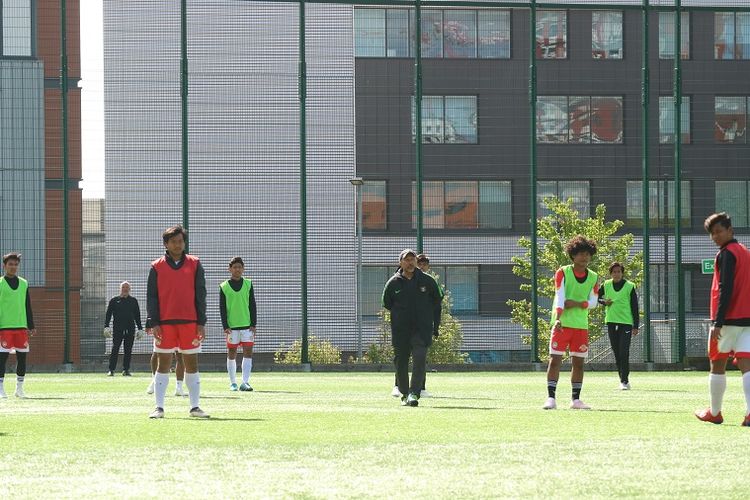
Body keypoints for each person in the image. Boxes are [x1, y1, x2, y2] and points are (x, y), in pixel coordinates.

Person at [146, 225, 209, 419]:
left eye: (180, 241)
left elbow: (201, 294)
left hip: (190, 322)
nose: (178, 244)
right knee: (163, 364)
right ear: (166, 244)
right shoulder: (156, 266)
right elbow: (152, 297)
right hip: (164, 323)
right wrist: (153, 321)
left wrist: (201, 321)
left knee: (192, 363)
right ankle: (159, 407)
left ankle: (195, 407)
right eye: (173, 241)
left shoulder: (195, 263)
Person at [695, 212, 750, 426]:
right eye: (712, 233)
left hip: (727, 320)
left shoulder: (726, 254)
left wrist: (717, 322)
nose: (715, 236)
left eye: (719, 231)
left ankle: (715, 412)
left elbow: (725, 289)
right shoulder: (746, 252)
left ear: (730, 230)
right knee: (747, 365)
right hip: (747, 320)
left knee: (717, 365)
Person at [543, 235, 599, 410]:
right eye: (581, 253)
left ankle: (576, 400)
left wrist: (576, 303)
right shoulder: (563, 272)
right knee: (555, 360)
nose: (585, 257)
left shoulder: (594, 277)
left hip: (581, 326)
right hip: (562, 323)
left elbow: (594, 302)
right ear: (573, 255)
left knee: (579, 363)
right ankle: (551, 398)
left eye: (587, 254)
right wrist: (558, 318)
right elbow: (560, 296)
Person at [382, 249, 442, 407]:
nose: (410, 263)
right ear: (400, 262)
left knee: (420, 357)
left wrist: (435, 325)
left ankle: (414, 392)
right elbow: (386, 303)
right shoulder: (393, 283)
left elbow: (437, 300)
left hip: (421, 330)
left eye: (412, 259)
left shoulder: (427, 281)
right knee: (401, 361)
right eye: (407, 260)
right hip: (401, 330)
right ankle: (404, 393)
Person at [598, 262, 639, 390]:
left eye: (619, 272)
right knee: (616, 352)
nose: (616, 274)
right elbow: (595, 297)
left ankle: (624, 381)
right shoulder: (606, 285)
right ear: (611, 273)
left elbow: (634, 307)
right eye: (614, 272)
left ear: (622, 273)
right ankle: (621, 378)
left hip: (626, 323)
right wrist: (604, 302)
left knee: (624, 351)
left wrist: (635, 325)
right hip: (611, 322)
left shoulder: (629, 286)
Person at [0, 253, 35, 399]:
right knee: (2, 359)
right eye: (10, 264)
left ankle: (19, 389)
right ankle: (1, 389)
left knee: (22, 358)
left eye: (15, 264)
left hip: (21, 327)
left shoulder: (24, 283)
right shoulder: (0, 283)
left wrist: (31, 325)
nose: (13, 267)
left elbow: (27, 305)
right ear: (5, 266)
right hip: (4, 327)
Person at [220, 257, 257, 392]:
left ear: (243, 269)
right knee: (232, 352)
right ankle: (233, 382)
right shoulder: (224, 286)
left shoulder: (248, 284)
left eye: (240, 267)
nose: (237, 269)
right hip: (232, 327)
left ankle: (245, 382)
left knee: (248, 352)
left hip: (247, 326)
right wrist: (225, 326)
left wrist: (253, 324)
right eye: (235, 267)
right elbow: (222, 308)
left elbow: (252, 304)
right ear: (230, 269)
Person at [104, 281, 143, 376]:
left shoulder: (133, 301)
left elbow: (137, 315)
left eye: (127, 287)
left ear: (129, 289)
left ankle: (126, 370)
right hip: (118, 329)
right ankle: (111, 370)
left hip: (130, 329)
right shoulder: (114, 300)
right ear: (120, 289)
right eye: (123, 287)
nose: (125, 289)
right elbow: (108, 314)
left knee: (128, 349)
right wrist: (106, 326)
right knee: (115, 348)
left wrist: (140, 328)